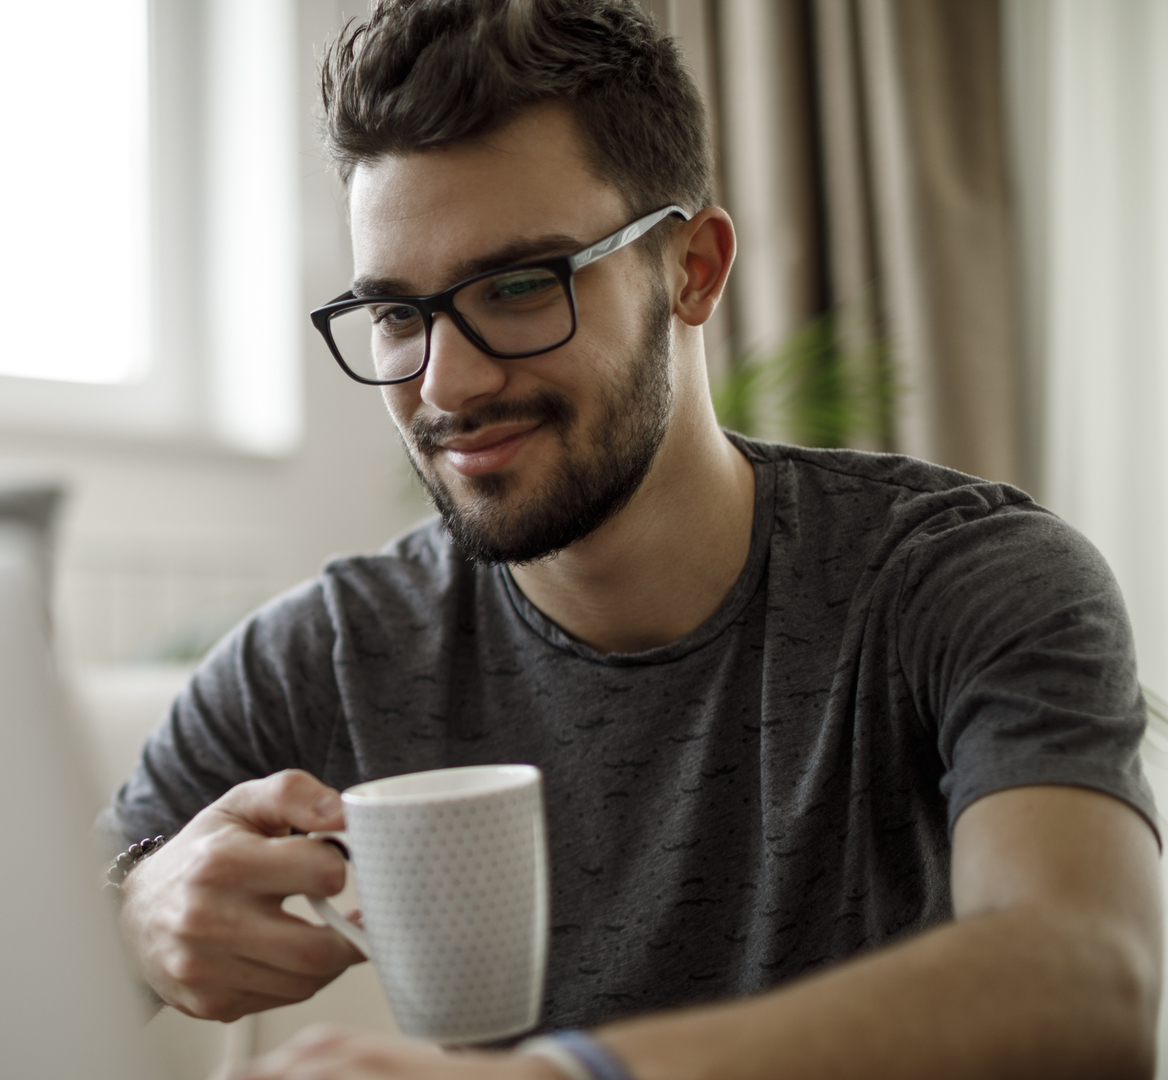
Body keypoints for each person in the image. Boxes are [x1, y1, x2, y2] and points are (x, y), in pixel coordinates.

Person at [105, 1, 1162, 1077]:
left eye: (520, 287)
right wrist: (134, 918)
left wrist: (561, 1077)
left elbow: (1088, 979)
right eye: (396, 314)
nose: (447, 382)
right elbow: (17, 955)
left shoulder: (961, 579)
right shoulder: (329, 653)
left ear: (693, 268)